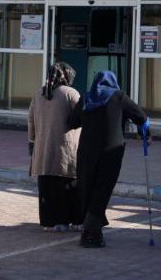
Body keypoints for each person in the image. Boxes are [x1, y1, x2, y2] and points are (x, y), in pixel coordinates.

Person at [69, 71, 149, 248]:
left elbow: (72, 122)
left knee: (88, 188)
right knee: (103, 189)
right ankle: (90, 232)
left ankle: (92, 231)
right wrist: (146, 134)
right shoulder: (119, 97)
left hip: (86, 151)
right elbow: (141, 117)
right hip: (111, 152)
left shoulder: (86, 98)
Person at [27, 62, 82, 232]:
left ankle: (49, 222)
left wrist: (32, 143)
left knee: (48, 188)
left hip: (43, 150)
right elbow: (82, 115)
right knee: (68, 187)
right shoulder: (70, 93)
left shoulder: (39, 94)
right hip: (66, 150)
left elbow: (30, 120)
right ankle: (71, 220)